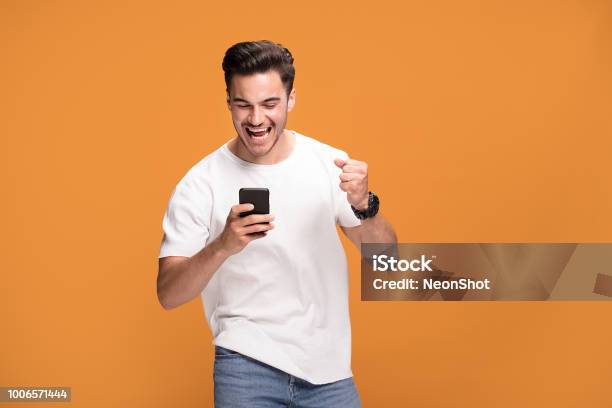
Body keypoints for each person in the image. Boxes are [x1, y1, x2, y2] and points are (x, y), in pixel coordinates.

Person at [157, 40, 397, 408]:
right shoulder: (200, 182)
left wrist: (364, 204)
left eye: (269, 104)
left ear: (291, 98)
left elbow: (388, 263)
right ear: (228, 102)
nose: (256, 120)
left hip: (328, 371)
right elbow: (169, 294)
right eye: (243, 105)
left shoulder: (328, 164)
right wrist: (224, 244)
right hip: (245, 368)